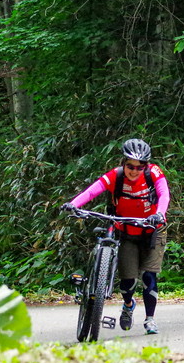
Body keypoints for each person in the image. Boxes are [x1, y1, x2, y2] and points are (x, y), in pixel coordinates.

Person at [64, 138, 169, 334]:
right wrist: (74, 204)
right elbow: (92, 191)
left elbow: (164, 194)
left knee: (149, 275)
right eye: (130, 166)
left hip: (152, 229)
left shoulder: (153, 173)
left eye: (140, 167)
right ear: (124, 162)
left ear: (146, 166)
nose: (134, 170)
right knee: (128, 281)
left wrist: (159, 214)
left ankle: (149, 319)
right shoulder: (116, 176)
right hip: (127, 231)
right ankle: (128, 305)